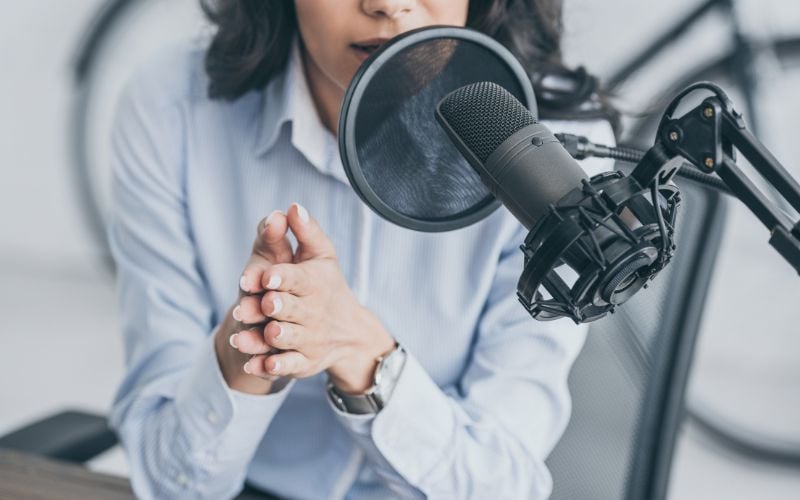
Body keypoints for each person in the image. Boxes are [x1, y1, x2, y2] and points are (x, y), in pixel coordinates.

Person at [108, 1, 616, 498]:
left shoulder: (558, 155)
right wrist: (250, 343)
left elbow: (501, 485)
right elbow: (169, 479)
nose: (388, 6)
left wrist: (361, 353)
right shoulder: (170, 110)